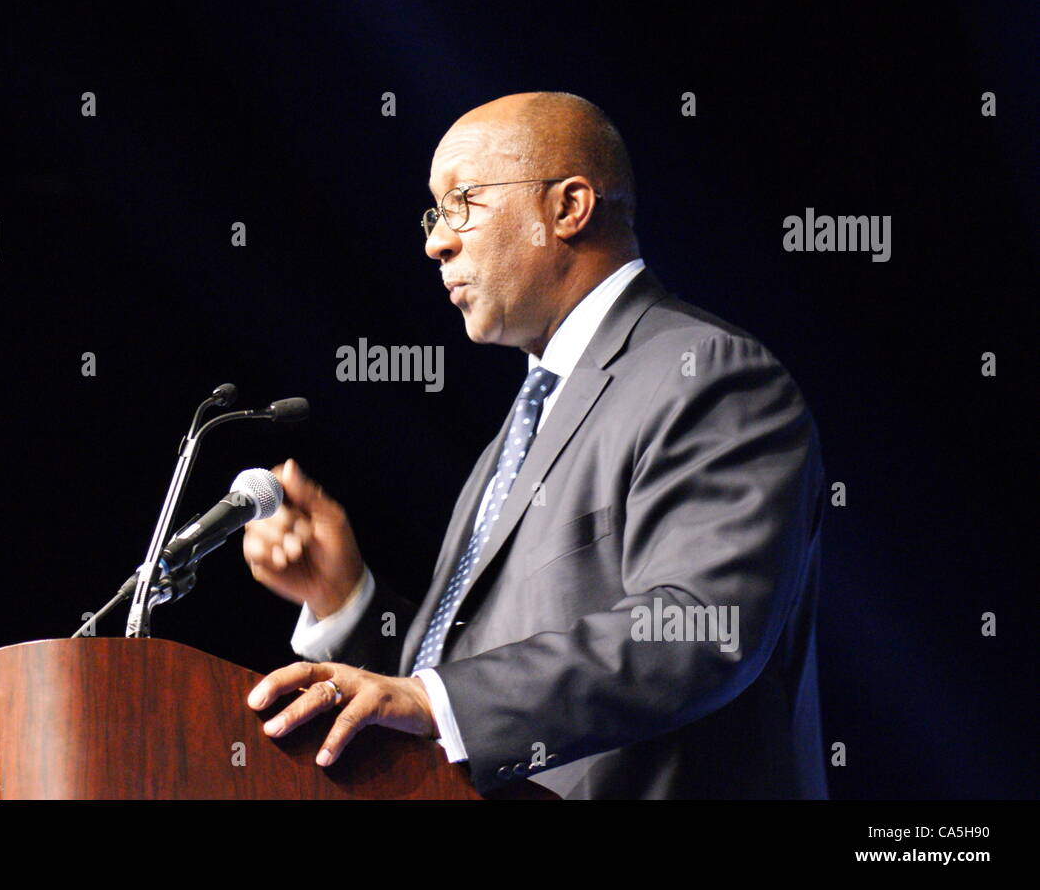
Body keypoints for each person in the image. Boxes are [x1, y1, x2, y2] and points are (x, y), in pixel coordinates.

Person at [241, 92, 828, 799]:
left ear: (569, 208)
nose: (436, 242)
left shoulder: (706, 374)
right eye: (434, 213)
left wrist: (436, 701)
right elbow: (455, 688)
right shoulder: (523, 425)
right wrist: (345, 602)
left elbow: (701, 626)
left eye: (462, 202)